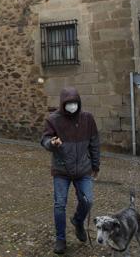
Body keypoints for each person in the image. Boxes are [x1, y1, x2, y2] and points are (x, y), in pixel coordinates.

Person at [41, 86, 100, 254]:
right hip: (61, 170)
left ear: (79, 102)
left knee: (88, 200)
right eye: (68, 103)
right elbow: (44, 140)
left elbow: (94, 143)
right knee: (59, 204)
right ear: (62, 103)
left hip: (83, 169)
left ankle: (78, 221)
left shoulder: (88, 119)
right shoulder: (53, 120)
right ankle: (60, 239)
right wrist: (52, 143)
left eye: (75, 102)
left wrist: (96, 165)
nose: (72, 105)